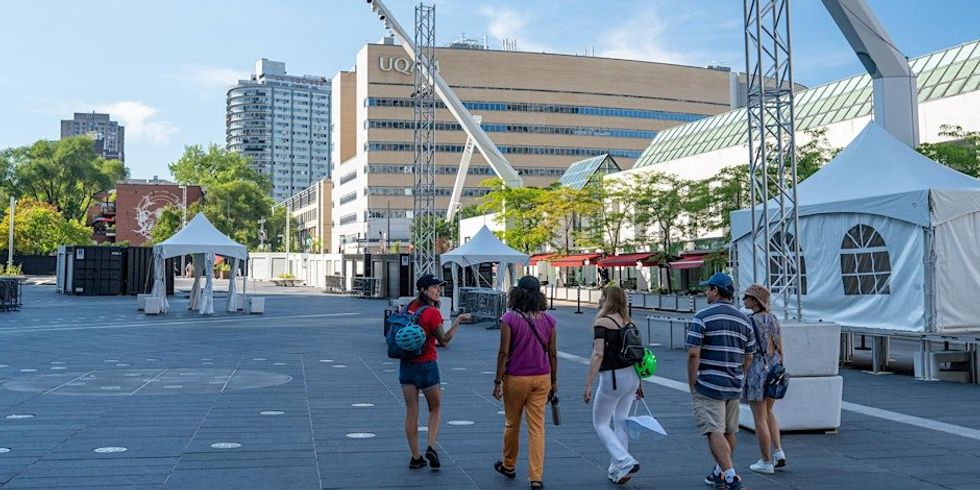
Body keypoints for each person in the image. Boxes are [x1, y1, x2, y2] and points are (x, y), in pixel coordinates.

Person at [687, 273, 756, 490]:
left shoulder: (702, 316)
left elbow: (693, 354)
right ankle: (719, 472)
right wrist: (739, 374)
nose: (706, 292)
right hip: (733, 383)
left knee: (713, 430)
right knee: (729, 431)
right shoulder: (744, 319)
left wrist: (692, 381)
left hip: (709, 383)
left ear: (716, 291)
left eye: (708, 289)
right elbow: (749, 354)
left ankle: (730, 476)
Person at [401, 274, 472, 470]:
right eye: (434, 287)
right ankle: (431, 446)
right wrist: (458, 321)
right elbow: (444, 340)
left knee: (411, 412)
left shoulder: (408, 308)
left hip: (406, 365)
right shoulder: (432, 312)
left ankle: (415, 457)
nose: (438, 290)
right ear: (423, 290)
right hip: (427, 365)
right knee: (435, 407)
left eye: (439, 287)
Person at [492, 276, 557, 490]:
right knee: (537, 428)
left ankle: (508, 465)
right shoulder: (549, 321)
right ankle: (536, 476)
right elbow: (553, 353)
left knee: (512, 423)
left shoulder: (509, 319)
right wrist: (554, 381)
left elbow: (503, 353)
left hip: (516, 378)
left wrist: (497, 380)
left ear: (517, 293)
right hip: (542, 377)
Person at [583, 285, 643, 485]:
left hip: (612, 378)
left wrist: (589, 384)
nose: (599, 300)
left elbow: (598, 353)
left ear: (607, 299)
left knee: (600, 423)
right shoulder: (629, 322)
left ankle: (624, 460)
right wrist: (640, 383)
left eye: (602, 296)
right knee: (621, 421)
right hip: (632, 377)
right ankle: (618, 469)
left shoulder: (602, 322)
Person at [741, 284, 787, 474]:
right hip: (774, 365)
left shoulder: (749, 321)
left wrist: (743, 371)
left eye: (747, 297)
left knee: (759, 417)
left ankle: (766, 461)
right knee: (769, 411)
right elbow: (780, 347)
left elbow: (748, 352)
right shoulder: (773, 318)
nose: (744, 300)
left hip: (757, 368)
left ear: (755, 301)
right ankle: (778, 452)